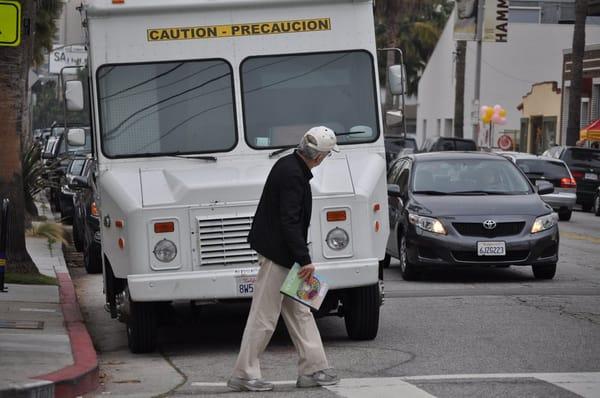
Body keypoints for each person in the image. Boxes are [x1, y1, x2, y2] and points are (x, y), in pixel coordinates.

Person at [227, 126, 340, 392]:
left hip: (285, 255)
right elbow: (289, 222)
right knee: (264, 316)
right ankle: (243, 374)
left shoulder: (289, 165)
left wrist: (300, 257)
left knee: (300, 311)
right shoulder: (293, 175)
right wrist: (305, 258)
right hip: (279, 256)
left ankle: (314, 368)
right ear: (320, 156)